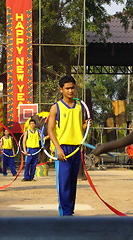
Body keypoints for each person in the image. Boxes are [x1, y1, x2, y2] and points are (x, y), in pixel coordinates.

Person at [48, 75, 91, 216]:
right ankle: (65, 214)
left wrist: (87, 124)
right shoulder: (56, 107)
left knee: (73, 183)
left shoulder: (79, 106)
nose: (71, 91)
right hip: (63, 149)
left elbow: (80, 127)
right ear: (61, 89)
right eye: (67, 88)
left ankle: (70, 212)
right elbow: (50, 129)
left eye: (72, 88)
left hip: (76, 148)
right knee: (64, 183)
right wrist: (58, 148)